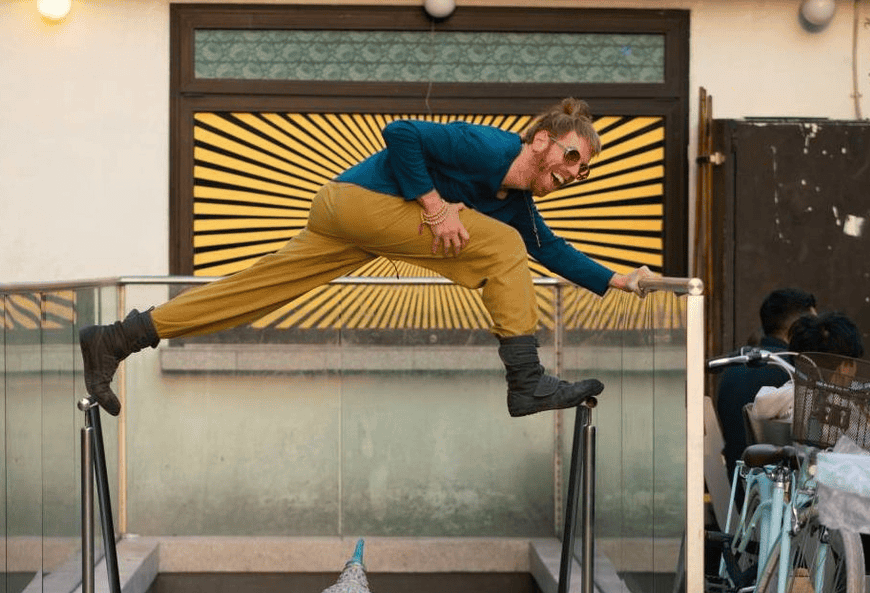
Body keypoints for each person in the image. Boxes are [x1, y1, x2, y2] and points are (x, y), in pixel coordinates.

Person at [80, 98, 656, 418]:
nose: (576, 172)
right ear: (541, 140)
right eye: (573, 156)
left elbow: (549, 248)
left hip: (345, 221)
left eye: (584, 169)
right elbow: (400, 130)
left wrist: (621, 280)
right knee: (499, 249)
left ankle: (118, 338)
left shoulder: (518, 201)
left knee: (255, 290)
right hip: (361, 201)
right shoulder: (487, 146)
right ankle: (526, 381)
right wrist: (435, 206)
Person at [715, 287, 817, 480]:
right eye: (813, 326)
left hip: (741, 491)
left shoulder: (735, 367)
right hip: (776, 492)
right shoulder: (790, 371)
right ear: (797, 327)